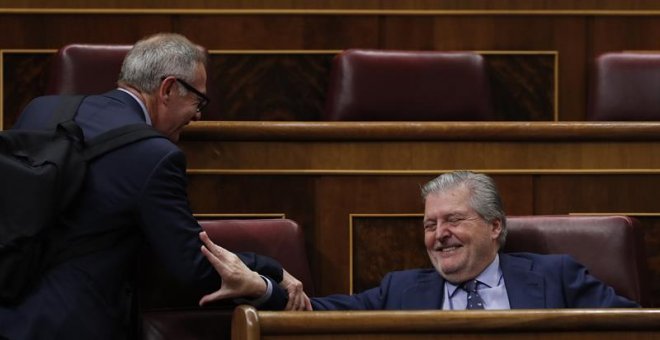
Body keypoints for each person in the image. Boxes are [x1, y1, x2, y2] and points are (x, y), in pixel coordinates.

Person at [0, 33, 307, 340]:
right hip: (73, 325)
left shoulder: (40, 110)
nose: (198, 115)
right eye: (198, 100)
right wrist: (270, 270)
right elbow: (193, 267)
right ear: (169, 88)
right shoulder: (155, 156)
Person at [199, 170, 639, 310]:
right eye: (430, 225)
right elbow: (320, 316)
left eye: (454, 220)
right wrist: (263, 287)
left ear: (495, 227)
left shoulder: (555, 275)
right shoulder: (401, 290)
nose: (439, 235)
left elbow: (632, 329)